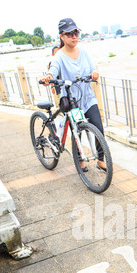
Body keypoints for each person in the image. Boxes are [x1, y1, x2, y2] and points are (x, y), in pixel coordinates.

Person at [41, 18, 106, 171]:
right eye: (69, 33)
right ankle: (80, 160)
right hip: (72, 101)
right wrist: (48, 78)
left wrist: (94, 73)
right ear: (62, 37)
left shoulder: (83, 52)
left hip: (88, 98)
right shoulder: (59, 56)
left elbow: (92, 68)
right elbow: (53, 70)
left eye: (76, 32)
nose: (74, 36)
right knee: (77, 130)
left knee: (98, 128)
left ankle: (101, 159)